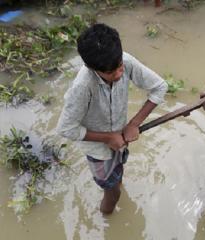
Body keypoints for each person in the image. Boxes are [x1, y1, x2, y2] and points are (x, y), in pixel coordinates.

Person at [56, 23, 168, 214]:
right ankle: (106, 217)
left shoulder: (124, 61)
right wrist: (108, 138)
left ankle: (115, 183)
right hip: (98, 149)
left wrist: (134, 123)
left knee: (118, 174)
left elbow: (160, 87)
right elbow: (66, 128)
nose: (118, 74)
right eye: (110, 72)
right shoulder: (83, 87)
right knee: (113, 194)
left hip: (121, 136)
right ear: (91, 68)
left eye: (119, 67)